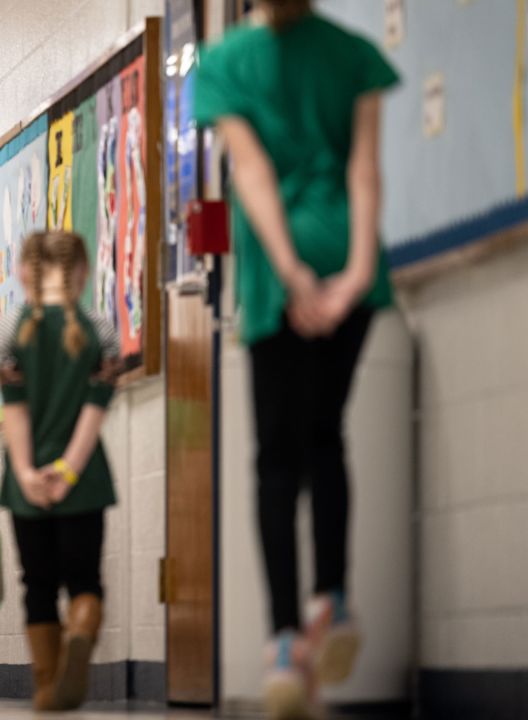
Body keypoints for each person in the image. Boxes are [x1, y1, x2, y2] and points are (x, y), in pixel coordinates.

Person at [194, 1, 398, 716]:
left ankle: (284, 640)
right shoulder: (353, 54)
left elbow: (249, 174)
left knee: (275, 458)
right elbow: (366, 171)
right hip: (352, 261)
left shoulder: (222, 65)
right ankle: (334, 603)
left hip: (279, 276)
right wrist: (358, 274)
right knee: (325, 437)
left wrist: (291, 274)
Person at [0, 231, 120, 711]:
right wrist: (67, 470)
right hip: (84, 478)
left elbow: (16, 410)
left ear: (24, 273)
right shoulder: (100, 330)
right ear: (82, 274)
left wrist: (26, 472)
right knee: (84, 579)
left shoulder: (9, 331)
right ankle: (82, 630)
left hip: (27, 484)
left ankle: (48, 686)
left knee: (37, 583)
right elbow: (95, 410)